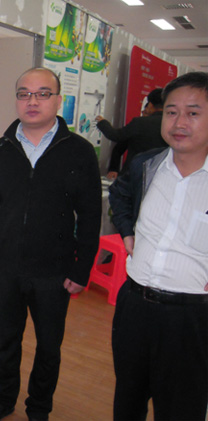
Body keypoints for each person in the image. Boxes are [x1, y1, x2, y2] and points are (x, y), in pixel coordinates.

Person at [0, 67, 102, 421]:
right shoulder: (0, 150)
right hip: (7, 266)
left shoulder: (79, 151)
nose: (33, 101)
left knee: (49, 345)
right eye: (24, 94)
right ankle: (2, 400)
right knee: (7, 340)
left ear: (58, 100)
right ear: (16, 100)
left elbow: (90, 216)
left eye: (43, 93)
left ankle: (39, 408)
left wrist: (82, 269)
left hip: (54, 270)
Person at [108, 71, 208, 420]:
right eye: (171, 112)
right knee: (128, 400)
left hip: (191, 316)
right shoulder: (145, 164)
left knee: (181, 408)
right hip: (134, 304)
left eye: (193, 113)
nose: (179, 123)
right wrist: (126, 230)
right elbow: (120, 195)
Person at [96, 88, 167, 180]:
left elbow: (116, 136)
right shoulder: (172, 124)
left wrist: (102, 122)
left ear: (150, 104)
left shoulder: (140, 123)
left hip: (134, 174)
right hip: (159, 175)